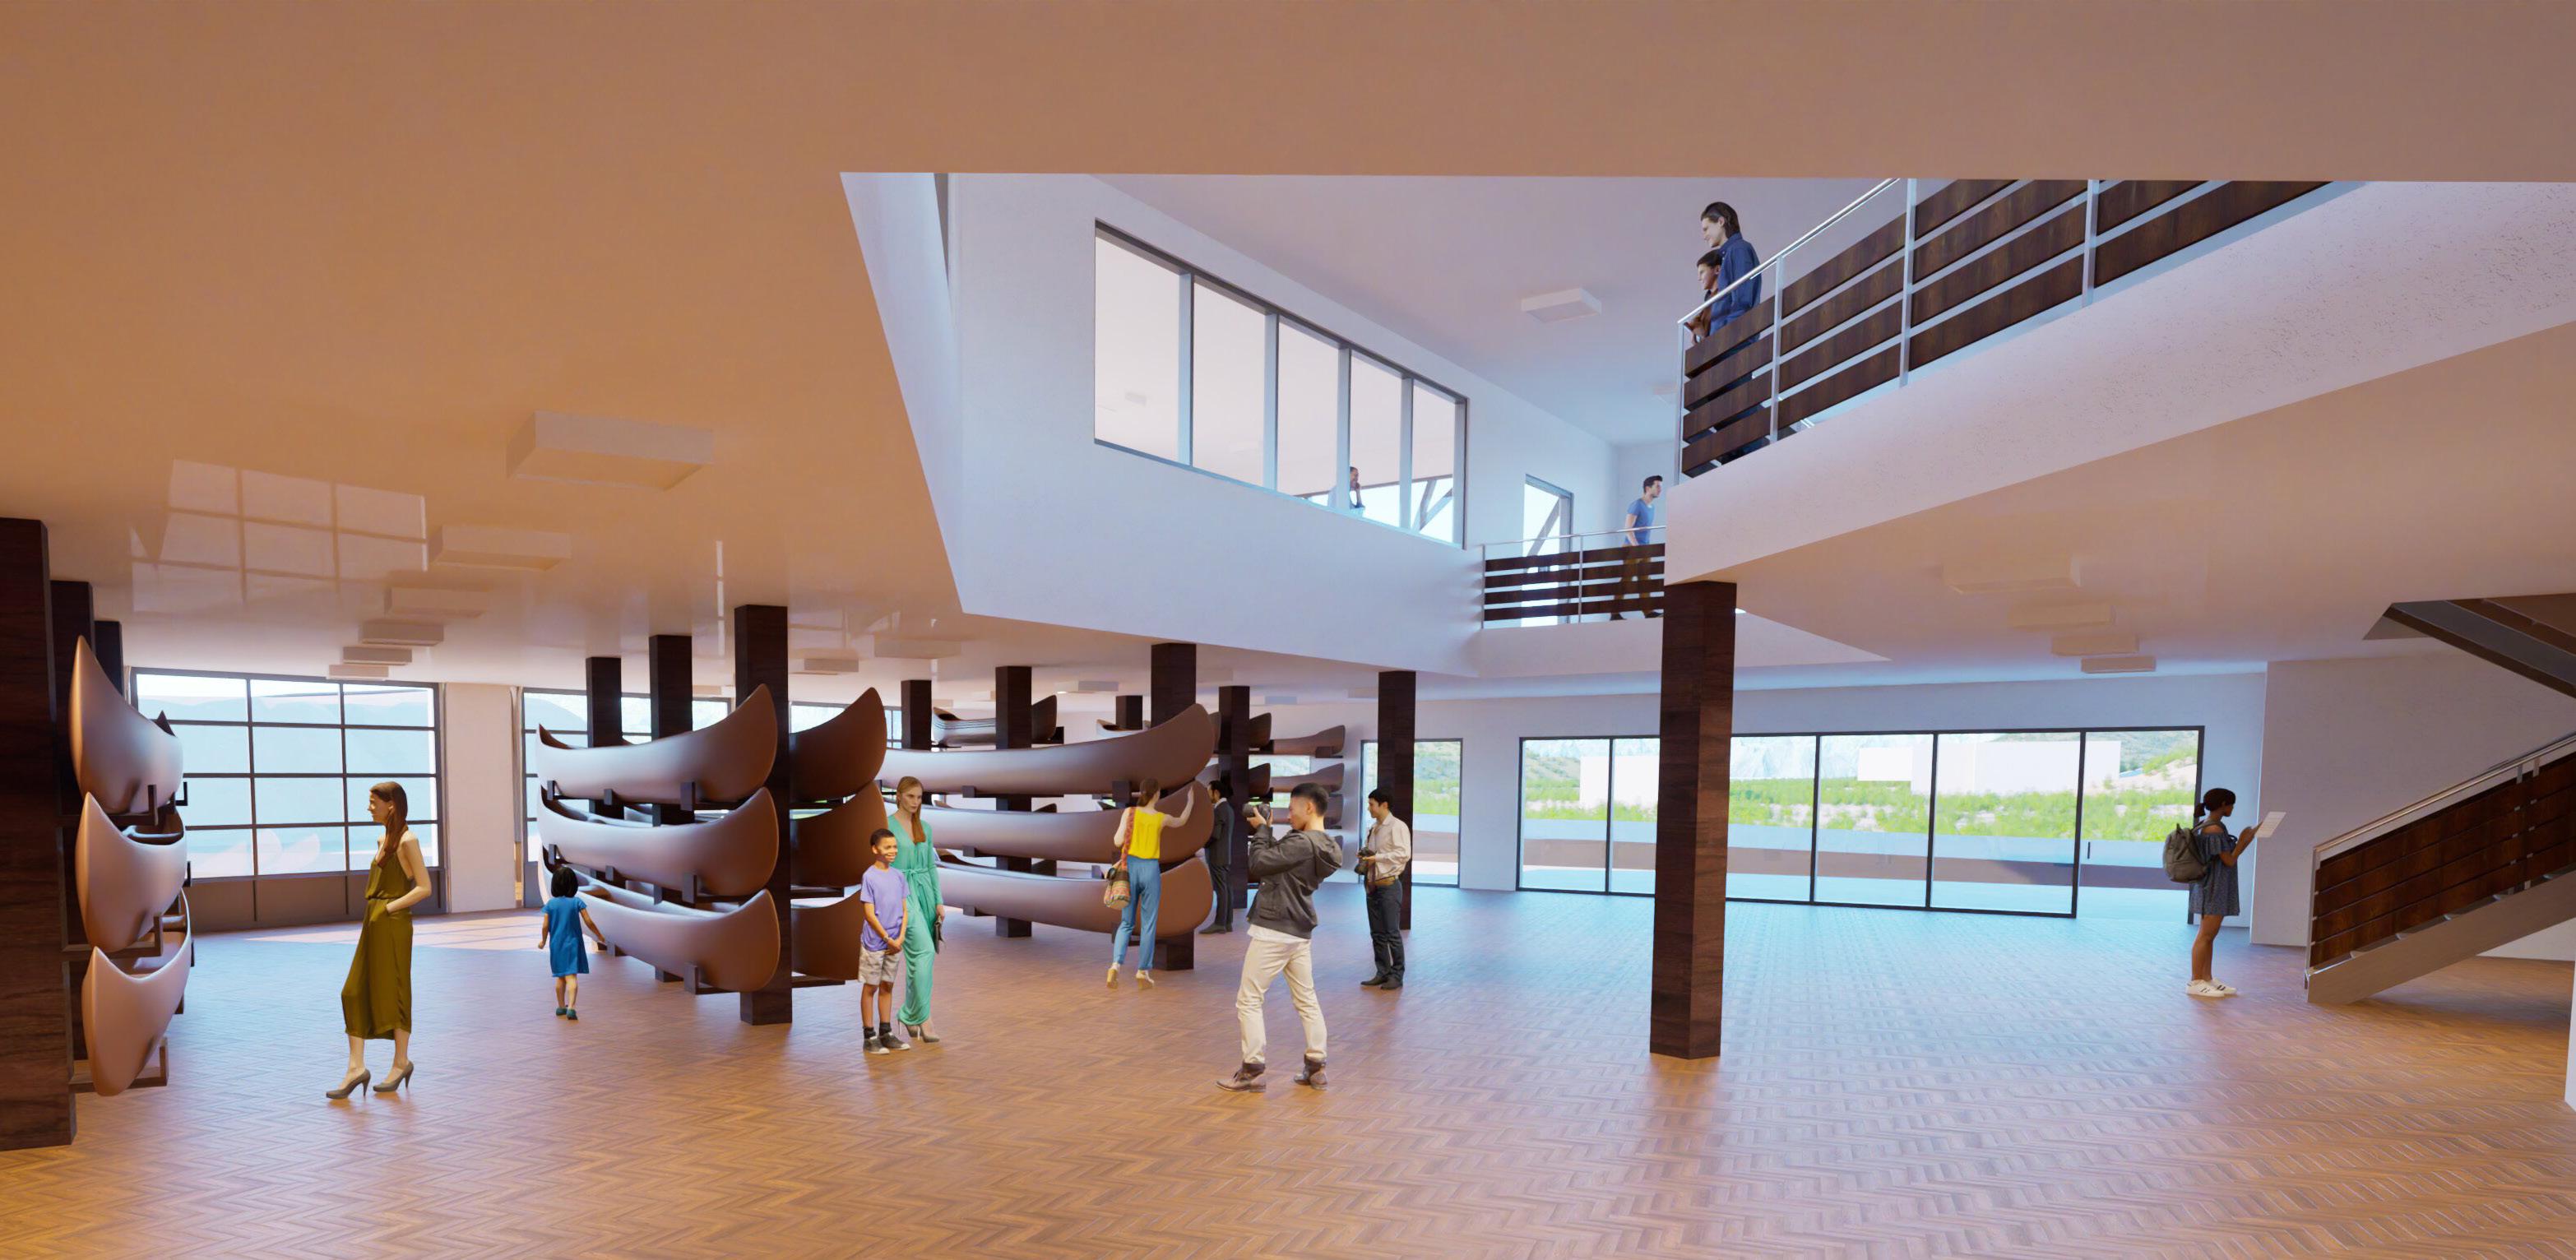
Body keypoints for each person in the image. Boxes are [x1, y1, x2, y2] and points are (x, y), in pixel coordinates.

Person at [1217, 785, 1343, 1093]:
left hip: (1274, 928)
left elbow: (1259, 864)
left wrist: (1262, 830)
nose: (1289, 815)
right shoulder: (1327, 846)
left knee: (1249, 999)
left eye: (1292, 808)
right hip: (1299, 930)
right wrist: (1267, 832)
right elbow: (1279, 862)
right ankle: (1316, 1066)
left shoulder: (1301, 842)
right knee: (1306, 999)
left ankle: (1252, 1070)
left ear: (1309, 808)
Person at [329, 781, 432, 1099]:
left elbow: (424, 887)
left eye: (374, 802)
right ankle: (356, 1067)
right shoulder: (382, 839)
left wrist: (388, 908)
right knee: (353, 991)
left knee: (396, 989)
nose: (369, 808)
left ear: (392, 805)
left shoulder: (408, 841)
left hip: (393, 922)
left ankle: (401, 1062)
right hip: (373, 921)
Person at [1107, 776, 1194, 989]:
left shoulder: (1129, 813)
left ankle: (1115, 965)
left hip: (1131, 868)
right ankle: (1142, 971)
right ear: (1157, 794)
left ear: (1142, 792)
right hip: (1151, 870)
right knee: (1149, 923)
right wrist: (1190, 801)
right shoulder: (1161, 818)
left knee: (1126, 922)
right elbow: (1182, 821)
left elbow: (1117, 841)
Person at [887, 776, 945, 1044]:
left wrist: (939, 901)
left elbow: (931, 867)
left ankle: (909, 1014)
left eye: (919, 797)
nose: (915, 802)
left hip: (925, 894)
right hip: (902, 895)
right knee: (924, 951)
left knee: (918, 959)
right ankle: (923, 1017)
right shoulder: (887, 827)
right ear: (898, 796)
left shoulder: (925, 828)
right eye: (910, 796)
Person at [2186, 789, 2258, 998]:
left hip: (2211, 886)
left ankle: (2206, 978)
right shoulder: (2214, 829)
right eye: (2231, 804)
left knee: (2209, 935)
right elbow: (2229, 860)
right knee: (2206, 935)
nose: (2233, 808)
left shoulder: (2210, 825)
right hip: (2213, 888)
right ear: (2224, 804)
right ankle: (2195, 981)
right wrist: (2245, 841)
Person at [858, 828, 910, 1054]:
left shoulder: (899, 876)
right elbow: (869, 915)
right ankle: (869, 1036)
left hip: (894, 944)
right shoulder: (869, 877)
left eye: (895, 847)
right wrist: (887, 938)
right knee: (871, 986)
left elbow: (905, 910)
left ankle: (886, 1033)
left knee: (887, 985)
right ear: (875, 849)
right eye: (888, 847)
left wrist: (900, 937)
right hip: (875, 944)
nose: (893, 851)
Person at [1358, 787, 1412, 991]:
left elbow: (1404, 854)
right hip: (1373, 886)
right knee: (1377, 933)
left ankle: (1397, 976)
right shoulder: (1374, 828)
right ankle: (1382, 972)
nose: (1369, 808)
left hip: (1389, 885)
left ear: (1384, 805)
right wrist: (1366, 855)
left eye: (1371, 804)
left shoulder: (1397, 826)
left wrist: (1377, 857)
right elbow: (1374, 853)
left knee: (1391, 933)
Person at [538, 865, 602, 1020]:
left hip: (556, 945)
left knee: (560, 976)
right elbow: (588, 921)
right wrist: (599, 935)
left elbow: (545, 926)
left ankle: (561, 1007)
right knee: (571, 976)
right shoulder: (577, 902)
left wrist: (543, 941)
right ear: (573, 885)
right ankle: (571, 1008)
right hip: (573, 944)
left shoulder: (550, 904)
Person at [1698, 200, 1762, 330]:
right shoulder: (1729, 254)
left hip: (1734, 336)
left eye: (1706, 229)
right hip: (1726, 336)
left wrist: (1727, 334)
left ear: (1721, 222)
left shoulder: (1738, 249)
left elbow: (1743, 300)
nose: (1704, 236)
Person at [1613, 475, 1663, 619]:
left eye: (1660, 486)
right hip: (1632, 548)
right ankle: (1614, 613)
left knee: (1645, 580)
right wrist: (1637, 548)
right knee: (1627, 580)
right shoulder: (1637, 505)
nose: (1660, 489)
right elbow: (1628, 529)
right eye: (1657, 486)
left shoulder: (1652, 507)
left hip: (1645, 549)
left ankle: (1648, 611)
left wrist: (1644, 549)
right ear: (1648, 488)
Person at [1199, 777, 1235, 935]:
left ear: (1216, 793)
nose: (1207, 795)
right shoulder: (1229, 809)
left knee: (1221, 890)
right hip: (1225, 855)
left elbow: (1215, 835)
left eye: (1209, 792)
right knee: (1226, 888)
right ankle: (1227, 922)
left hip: (1217, 855)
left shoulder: (1219, 810)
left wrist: (1202, 843)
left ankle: (1220, 923)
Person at [1684, 248, 1726, 343]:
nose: (1699, 278)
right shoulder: (1709, 301)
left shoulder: (1724, 296)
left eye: (1702, 272)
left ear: (1717, 269)